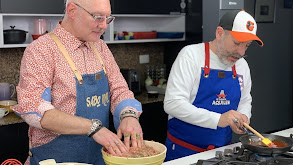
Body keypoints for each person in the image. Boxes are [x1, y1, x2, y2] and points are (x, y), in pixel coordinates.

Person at [12, 0, 144, 164]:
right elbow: (33, 109)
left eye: (108, 18)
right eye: (98, 17)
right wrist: (93, 128)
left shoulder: (101, 47)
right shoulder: (41, 50)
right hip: (56, 158)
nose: (104, 26)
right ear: (72, 10)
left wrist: (129, 115)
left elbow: (119, 90)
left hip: (98, 157)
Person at [164, 10, 264, 161]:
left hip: (222, 154)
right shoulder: (191, 56)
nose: (241, 52)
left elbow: (245, 100)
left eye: (247, 45)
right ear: (219, 33)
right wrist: (219, 119)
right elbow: (173, 103)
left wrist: (244, 116)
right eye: (237, 43)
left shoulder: (241, 65)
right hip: (183, 153)